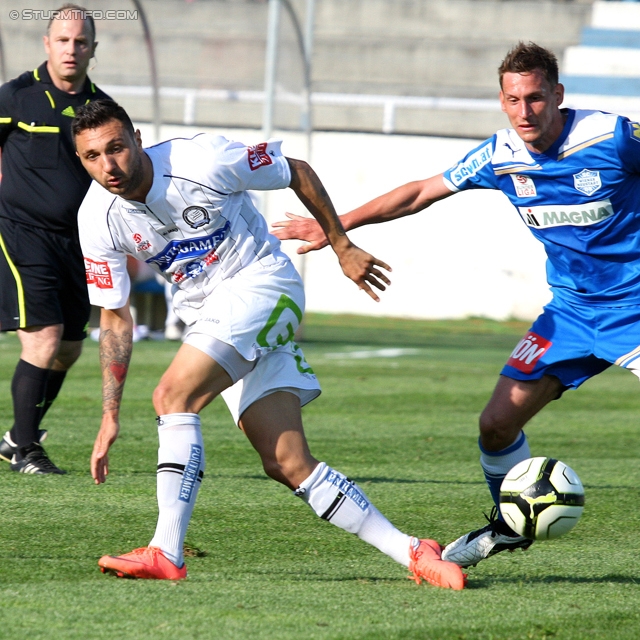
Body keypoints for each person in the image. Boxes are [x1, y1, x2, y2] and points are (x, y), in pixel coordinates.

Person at [272, 40, 640, 569]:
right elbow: (421, 192)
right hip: (571, 316)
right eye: (513, 100)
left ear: (557, 95)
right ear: (501, 99)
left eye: (535, 98)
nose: (524, 111)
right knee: (495, 425)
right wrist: (335, 227)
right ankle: (511, 525)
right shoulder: (500, 154)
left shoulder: (612, 137)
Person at [71, 99, 466, 589]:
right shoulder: (96, 218)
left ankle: (165, 552)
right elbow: (114, 317)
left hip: (263, 284)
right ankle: (413, 551)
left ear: (136, 137)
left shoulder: (204, 160)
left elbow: (295, 169)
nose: (108, 166)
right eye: (92, 157)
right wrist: (110, 414)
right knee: (286, 463)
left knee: (173, 397)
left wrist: (340, 244)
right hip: (211, 318)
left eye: (115, 148)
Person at [0, 4, 110, 474]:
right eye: (63, 40)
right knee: (42, 340)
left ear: (92, 49)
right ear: (47, 44)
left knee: (68, 348)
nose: (71, 49)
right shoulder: (16, 96)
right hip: (21, 233)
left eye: (80, 42)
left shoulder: (100, 107)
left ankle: (13, 438)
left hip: (77, 243)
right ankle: (28, 451)